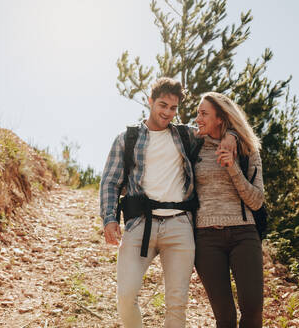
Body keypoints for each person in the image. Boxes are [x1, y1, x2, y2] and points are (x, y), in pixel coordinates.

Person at [100, 78, 236, 328]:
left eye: (173, 108)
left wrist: (232, 137)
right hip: (140, 225)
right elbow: (110, 182)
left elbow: (218, 127)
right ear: (150, 101)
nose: (167, 112)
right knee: (125, 295)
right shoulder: (127, 138)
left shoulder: (185, 135)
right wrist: (109, 219)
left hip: (179, 227)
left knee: (176, 303)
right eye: (162, 105)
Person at [193, 92, 264, 328]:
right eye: (197, 113)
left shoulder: (247, 151)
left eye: (204, 113)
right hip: (206, 238)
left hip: (244, 234)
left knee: (253, 310)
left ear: (220, 118)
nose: (198, 118)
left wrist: (233, 168)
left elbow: (256, 201)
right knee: (225, 318)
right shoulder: (193, 147)